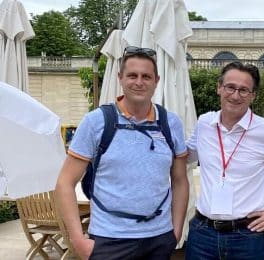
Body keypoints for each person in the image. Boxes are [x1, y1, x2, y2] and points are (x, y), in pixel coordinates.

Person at [55, 46, 189, 260]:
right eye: (132, 75)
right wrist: (78, 239)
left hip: (159, 238)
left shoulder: (170, 123)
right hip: (109, 239)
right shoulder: (96, 121)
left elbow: (180, 180)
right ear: (120, 78)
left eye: (146, 76)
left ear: (157, 80)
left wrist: (176, 230)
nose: (139, 82)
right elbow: (65, 183)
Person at [185, 61, 264, 259]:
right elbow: (187, 156)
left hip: (246, 236)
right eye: (230, 87)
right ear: (219, 88)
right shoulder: (204, 123)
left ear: (253, 95)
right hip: (203, 233)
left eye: (244, 90)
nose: (235, 95)